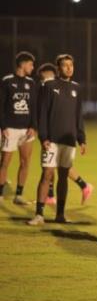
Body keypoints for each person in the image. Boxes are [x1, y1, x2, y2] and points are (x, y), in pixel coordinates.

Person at [28, 54, 87, 225]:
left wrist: (82, 138)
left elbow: (78, 116)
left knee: (63, 176)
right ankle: (39, 214)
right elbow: (43, 113)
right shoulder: (49, 85)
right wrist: (43, 137)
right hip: (51, 140)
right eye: (65, 65)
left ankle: (60, 214)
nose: (69, 68)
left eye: (71, 65)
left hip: (69, 140)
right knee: (47, 173)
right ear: (58, 68)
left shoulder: (76, 88)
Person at [0, 52, 38, 205]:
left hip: (26, 130)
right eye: (30, 64)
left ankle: (19, 195)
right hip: (10, 129)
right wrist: (3, 126)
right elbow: (1, 105)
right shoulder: (7, 81)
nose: (32, 68)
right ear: (23, 64)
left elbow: (34, 107)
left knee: (25, 162)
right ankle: (0, 194)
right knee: (4, 163)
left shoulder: (32, 83)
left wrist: (33, 126)